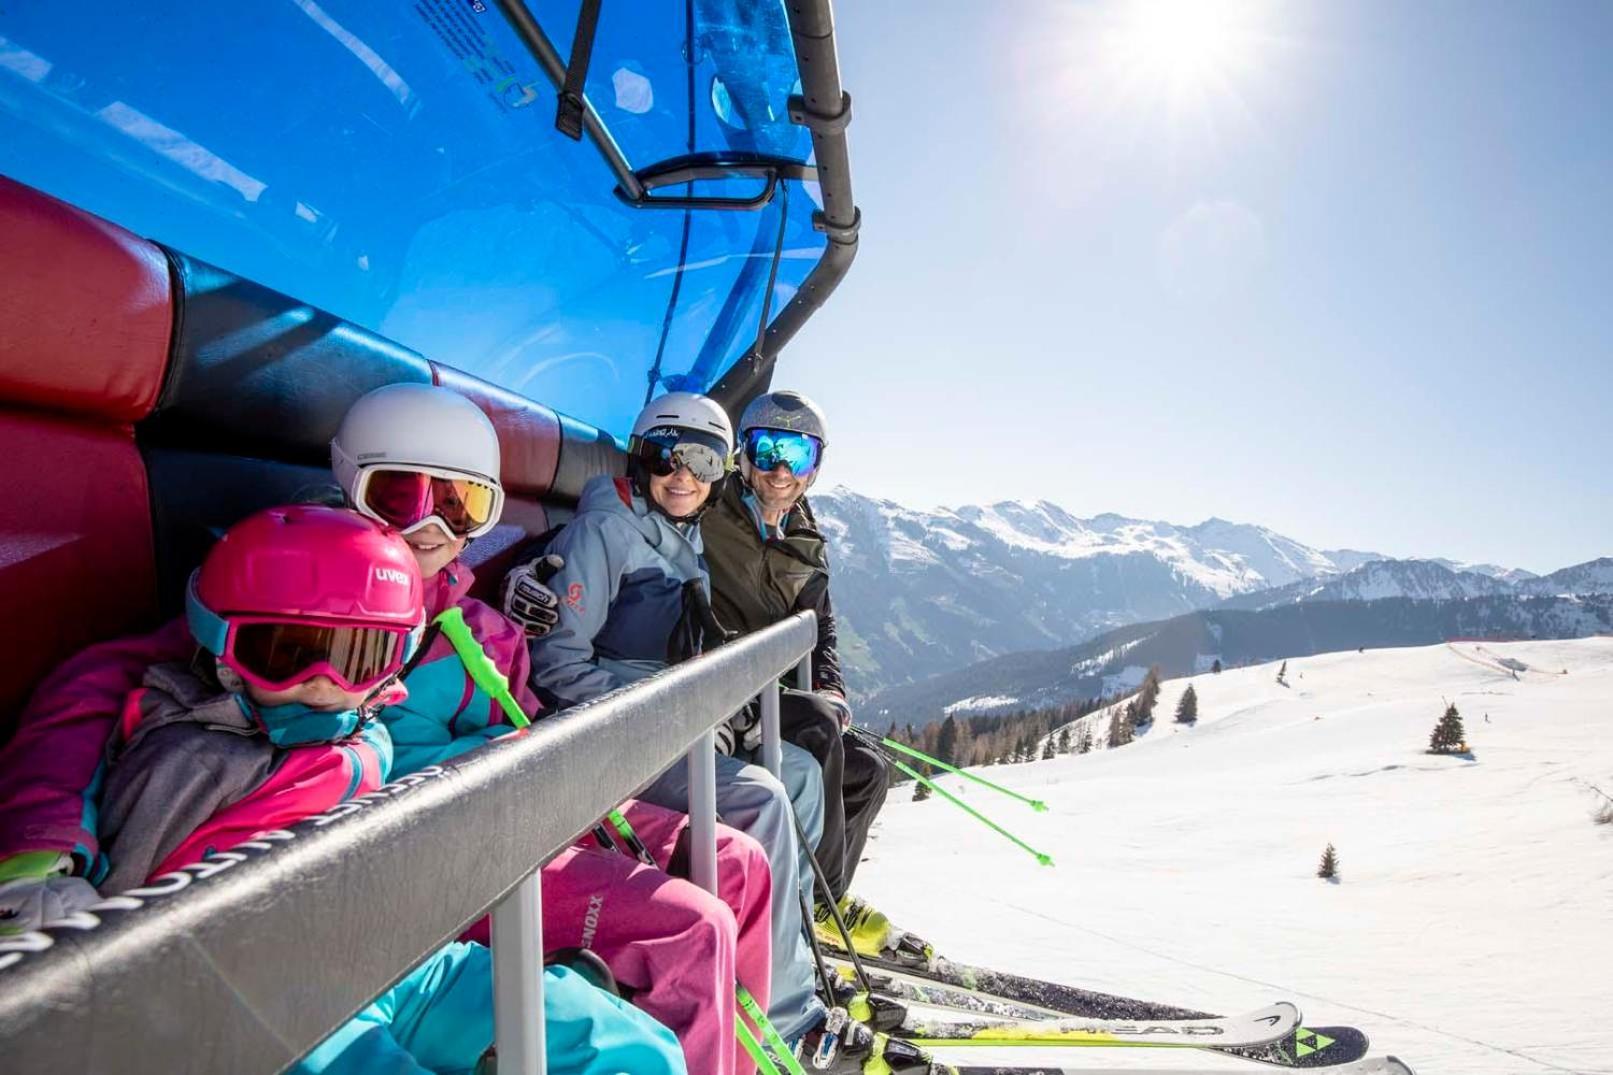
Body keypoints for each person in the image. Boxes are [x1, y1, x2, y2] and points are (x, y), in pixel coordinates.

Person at [0, 505, 685, 1075]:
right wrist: (42, 867)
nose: (324, 679)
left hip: (397, 958)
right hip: (262, 988)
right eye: (286, 652)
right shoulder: (186, 749)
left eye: (359, 656)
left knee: (639, 1049)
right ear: (219, 647)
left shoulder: (370, 728)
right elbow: (80, 747)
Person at [331, 383, 775, 1075]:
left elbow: (529, 714)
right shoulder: (316, 599)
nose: (431, 524)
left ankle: (741, 1058)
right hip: (446, 846)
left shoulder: (482, 627)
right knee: (693, 923)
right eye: (400, 496)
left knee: (738, 862)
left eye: (459, 505)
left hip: (524, 807)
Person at [510, 392, 900, 1069]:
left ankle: (789, 958)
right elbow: (560, 660)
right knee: (764, 796)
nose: (684, 474)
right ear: (642, 455)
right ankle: (787, 1016)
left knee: (804, 772)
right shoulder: (612, 529)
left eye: (700, 459)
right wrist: (675, 709)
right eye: (667, 456)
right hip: (613, 737)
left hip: (670, 716)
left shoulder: (679, 525)